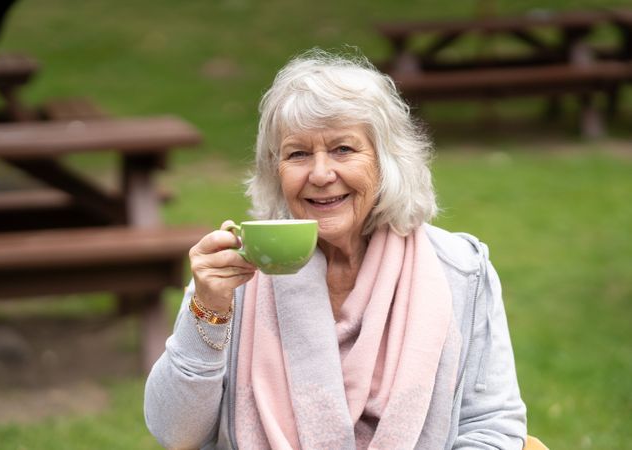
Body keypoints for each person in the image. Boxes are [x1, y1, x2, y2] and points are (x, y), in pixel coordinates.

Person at [144, 48, 527, 449]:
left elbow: (491, 427)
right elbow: (176, 433)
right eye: (298, 154)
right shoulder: (232, 278)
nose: (322, 174)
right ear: (275, 172)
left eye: (343, 149)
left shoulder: (460, 271)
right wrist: (207, 312)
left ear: (386, 161)